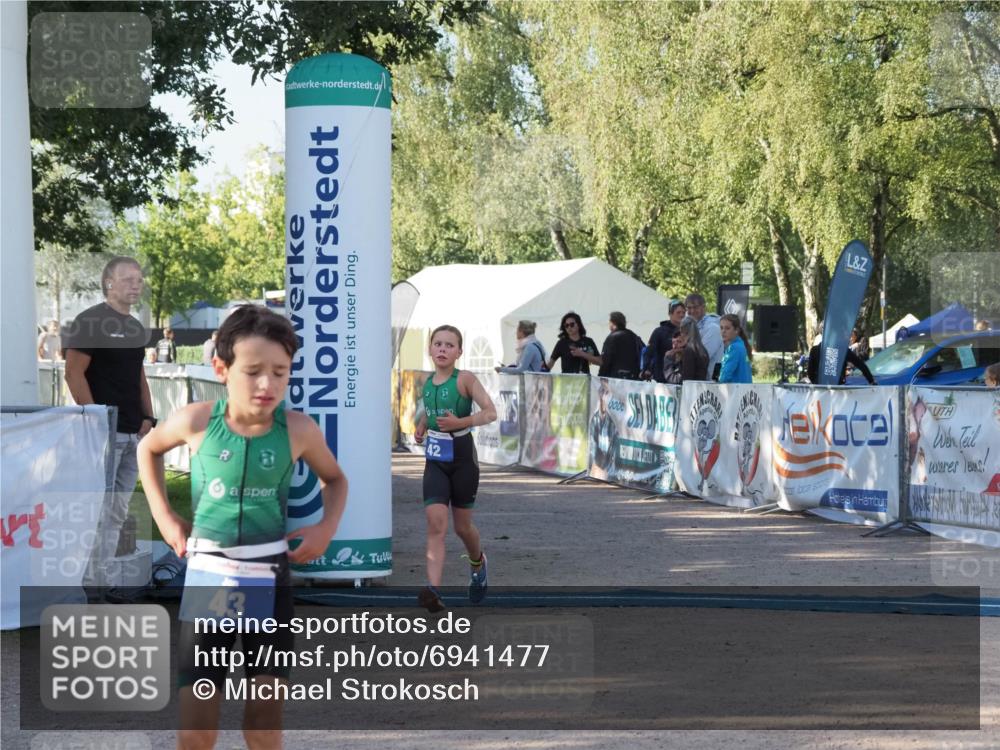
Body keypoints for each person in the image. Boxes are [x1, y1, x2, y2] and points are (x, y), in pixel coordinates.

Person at [137, 304, 348, 750]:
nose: (267, 384)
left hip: (269, 583)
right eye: (253, 371)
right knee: (196, 731)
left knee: (264, 726)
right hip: (208, 582)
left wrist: (326, 528)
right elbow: (148, 450)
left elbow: (336, 479)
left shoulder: (298, 430)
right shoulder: (197, 421)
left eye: (280, 372)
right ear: (221, 367)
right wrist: (165, 516)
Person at [64, 255, 153, 588]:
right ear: (108, 283)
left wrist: (149, 416)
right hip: (104, 432)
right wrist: (96, 419)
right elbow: (74, 374)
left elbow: (139, 376)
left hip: (133, 432)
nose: (135, 284)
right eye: (128, 279)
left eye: (139, 279)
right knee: (93, 507)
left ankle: (99, 581)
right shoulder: (90, 321)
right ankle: (79, 579)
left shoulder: (136, 327)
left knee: (116, 511)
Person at [415, 325, 498, 612]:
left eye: (449, 345)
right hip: (436, 461)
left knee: (462, 527)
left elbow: (490, 412)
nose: (442, 349)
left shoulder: (465, 379)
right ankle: (433, 590)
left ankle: (478, 564)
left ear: (459, 352)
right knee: (435, 522)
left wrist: (461, 423)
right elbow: (430, 409)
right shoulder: (428, 382)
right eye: (437, 344)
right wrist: (422, 425)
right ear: (430, 349)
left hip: (463, 459)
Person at [807, 332, 876, 385]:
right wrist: (871, 381)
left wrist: (816, 383)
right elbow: (860, 364)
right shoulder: (842, 350)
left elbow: (810, 372)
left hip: (819, 387)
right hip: (838, 389)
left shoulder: (815, 350)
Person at [642, 301, 686, 382]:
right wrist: (646, 369)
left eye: (684, 312)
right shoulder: (659, 331)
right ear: (670, 314)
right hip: (661, 376)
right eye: (678, 312)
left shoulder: (687, 331)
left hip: (680, 378)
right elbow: (649, 352)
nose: (682, 315)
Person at [685, 293, 723, 380]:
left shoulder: (713, 328)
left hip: (710, 381)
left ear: (703, 307)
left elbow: (702, 357)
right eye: (689, 308)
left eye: (695, 307)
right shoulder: (691, 326)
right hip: (699, 379)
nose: (692, 311)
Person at [662, 317, 710, 384]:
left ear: (682, 331)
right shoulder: (703, 349)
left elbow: (684, 380)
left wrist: (668, 360)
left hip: (691, 391)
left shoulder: (689, 350)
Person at [597, 311, 644, 380]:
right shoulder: (634, 336)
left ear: (613, 323)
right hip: (633, 377)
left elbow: (605, 360)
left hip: (615, 378)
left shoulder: (612, 337)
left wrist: (601, 376)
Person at [718, 313, 753, 384]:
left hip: (737, 392)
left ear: (736, 330)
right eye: (721, 328)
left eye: (727, 328)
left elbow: (725, 376)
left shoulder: (734, 347)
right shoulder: (740, 345)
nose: (723, 331)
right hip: (744, 390)